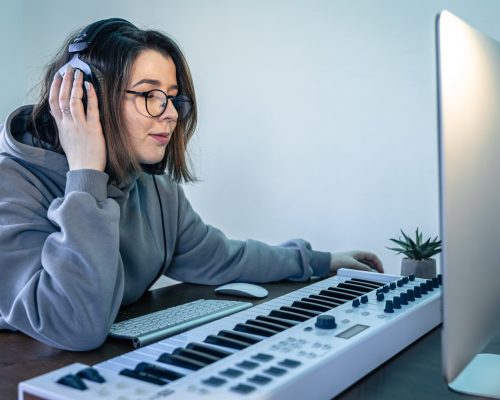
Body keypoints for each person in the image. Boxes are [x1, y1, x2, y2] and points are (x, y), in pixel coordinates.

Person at [0, 18, 383, 351]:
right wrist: (85, 175)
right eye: (150, 95)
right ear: (88, 98)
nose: (170, 114)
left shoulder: (153, 188)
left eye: (171, 97)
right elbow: (74, 324)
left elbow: (224, 257)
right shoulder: (12, 185)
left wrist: (322, 261)